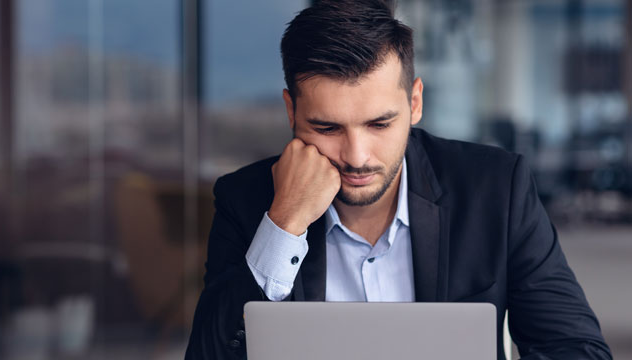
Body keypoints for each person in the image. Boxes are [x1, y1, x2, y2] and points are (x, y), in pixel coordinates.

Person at [185, 1, 612, 359]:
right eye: (328, 128)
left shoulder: (496, 190)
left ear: (415, 102)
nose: (356, 157)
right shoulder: (247, 199)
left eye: (379, 124)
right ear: (291, 112)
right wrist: (283, 225)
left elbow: (578, 349)